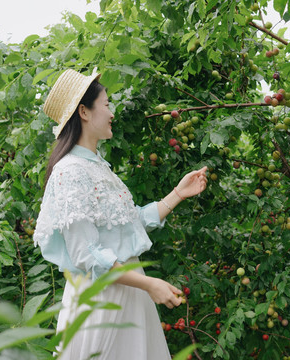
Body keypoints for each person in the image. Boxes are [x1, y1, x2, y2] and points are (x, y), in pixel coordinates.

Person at [32, 68, 207, 359]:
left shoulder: (97, 165)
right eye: (107, 104)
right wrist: (148, 284)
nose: (112, 112)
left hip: (127, 293)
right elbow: (86, 255)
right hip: (101, 303)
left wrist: (178, 193)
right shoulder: (71, 171)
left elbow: (130, 223)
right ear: (84, 112)